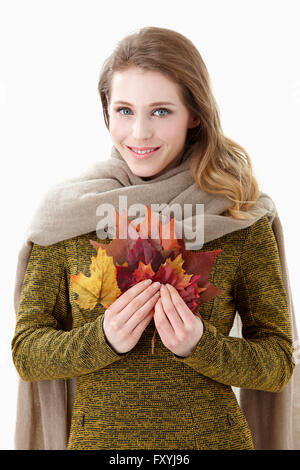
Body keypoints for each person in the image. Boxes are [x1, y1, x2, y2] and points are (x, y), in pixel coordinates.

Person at [11, 26, 299, 450]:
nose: (140, 133)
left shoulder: (238, 214)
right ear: (106, 111)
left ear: (194, 114)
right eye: (125, 110)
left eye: (161, 111)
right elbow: (27, 353)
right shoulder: (69, 215)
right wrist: (102, 338)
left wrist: (201, 344)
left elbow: (277, 361)